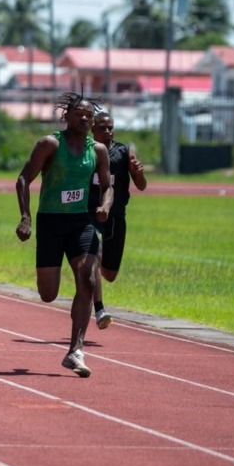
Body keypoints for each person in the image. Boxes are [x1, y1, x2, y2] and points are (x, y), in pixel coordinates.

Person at [15, 91, 112, 378]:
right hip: (50, 223)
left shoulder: (98, 151)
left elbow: (108, 186)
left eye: (89, 115)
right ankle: (74, 346)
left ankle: (75, 350)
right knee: (48, 294)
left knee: (88, 277)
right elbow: (23, 179)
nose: (84, 118)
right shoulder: (49, 144)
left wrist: (105, 205)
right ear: (66, 116)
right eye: (79, 114)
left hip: (82, 222)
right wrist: (25, 217)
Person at [88, 110, 147, 329]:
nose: (108, 131)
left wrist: (137, 172)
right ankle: (99, 309)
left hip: (116, 215)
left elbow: (141, 185)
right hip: (90, 213)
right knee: (91, 254)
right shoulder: (86, 151)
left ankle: (96, 262)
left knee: (110, 274)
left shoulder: (123, 152)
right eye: (102, 127)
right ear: (92, 129)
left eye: (110, 127)